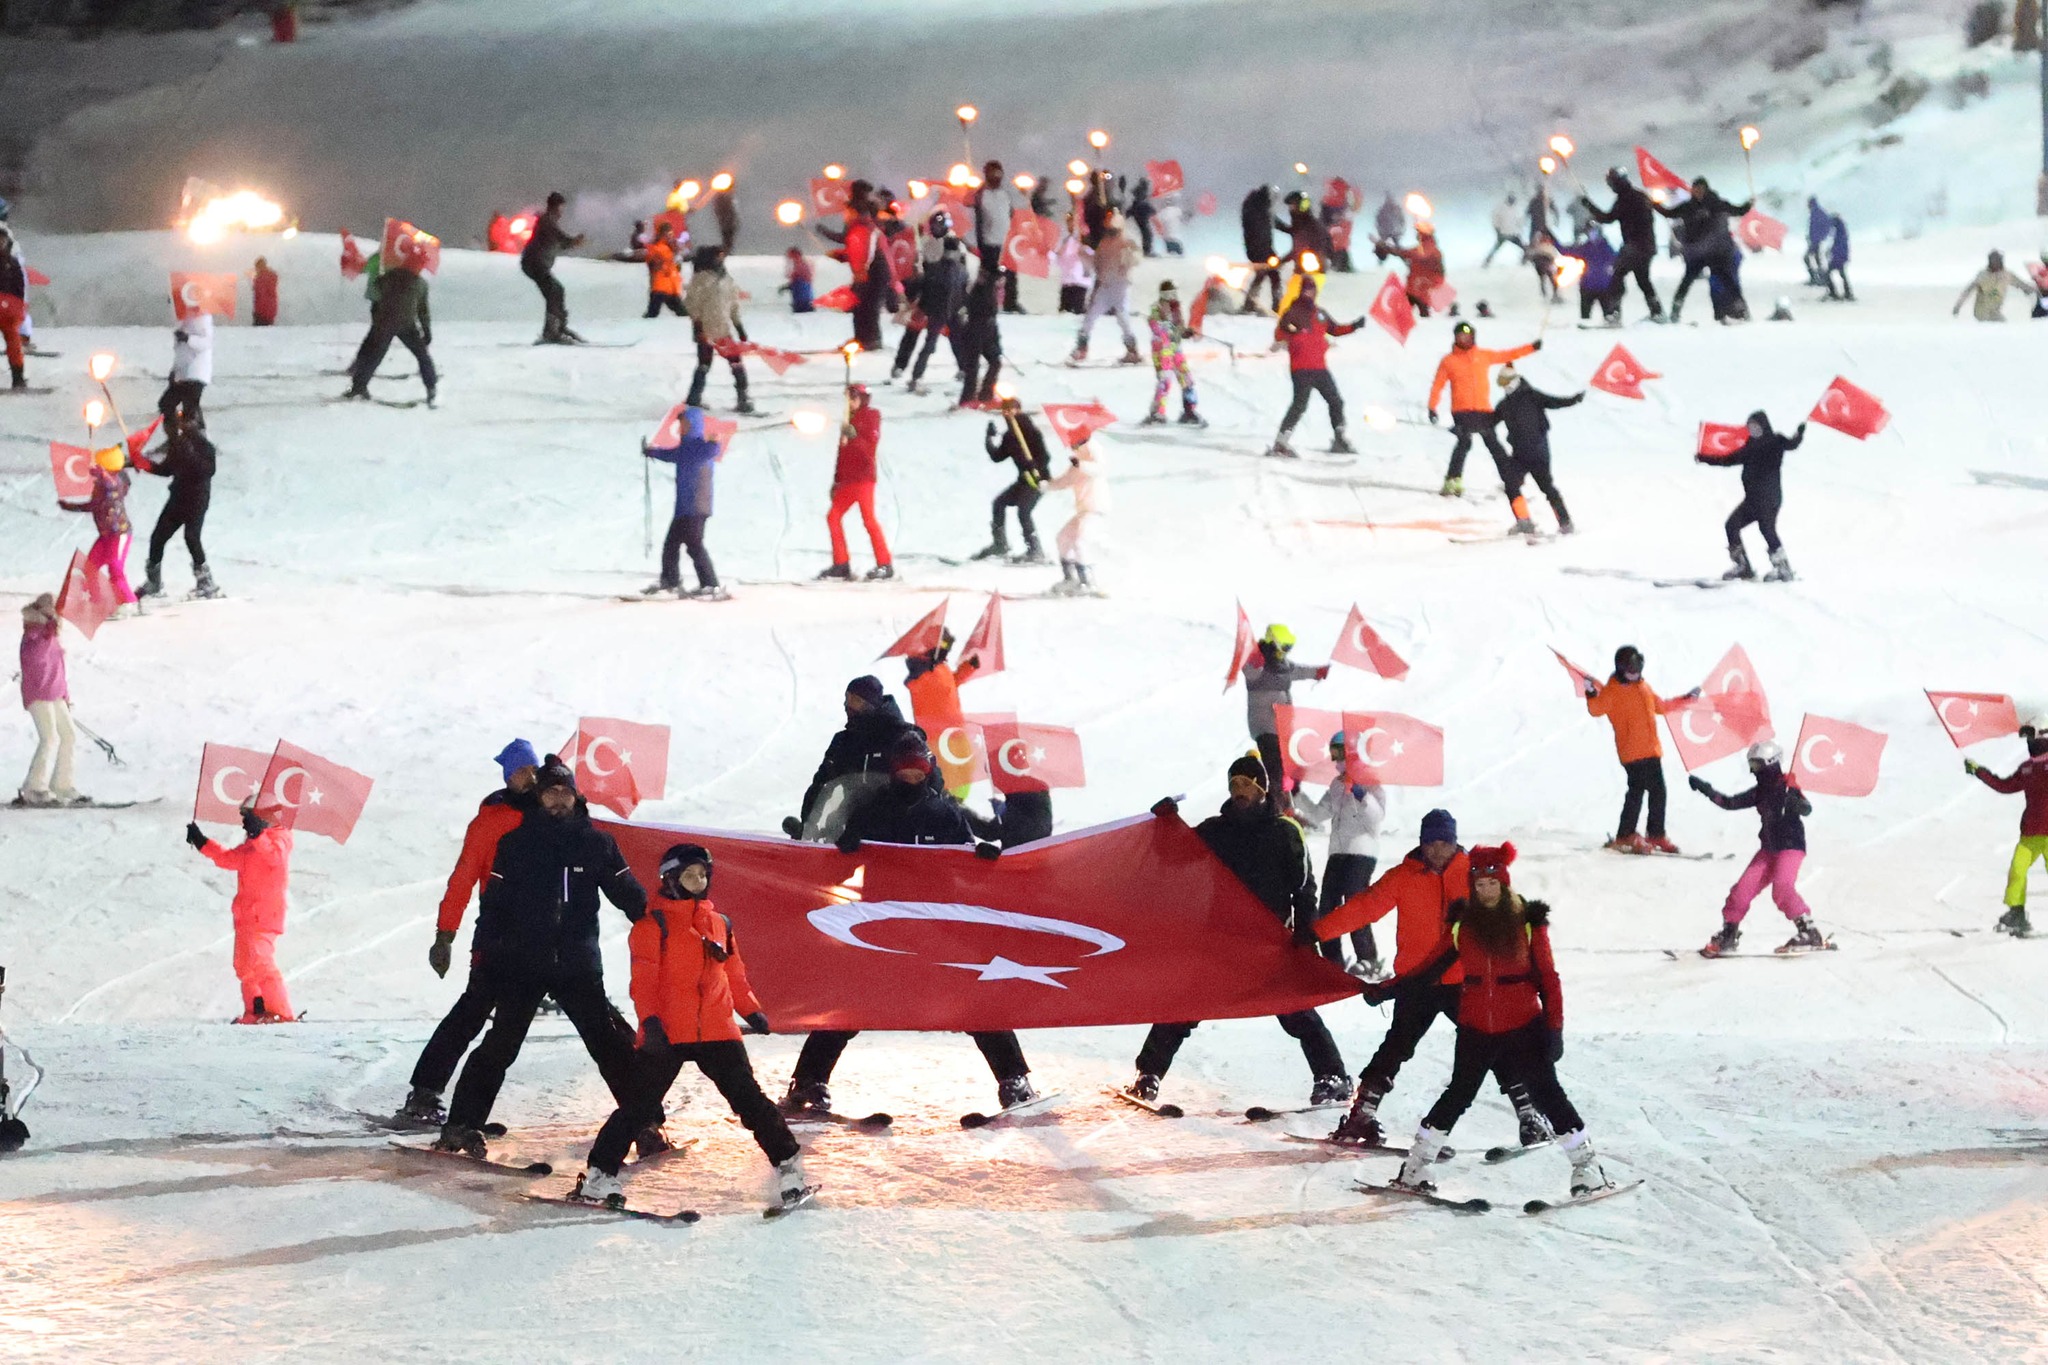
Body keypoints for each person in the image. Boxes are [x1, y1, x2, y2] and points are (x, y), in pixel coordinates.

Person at [785, 733, 1035, 1114]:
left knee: (974, 996)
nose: (911, 780)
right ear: (893, 772)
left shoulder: (945, 812)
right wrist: (846, 849)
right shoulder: (872, 810)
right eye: (904, 773)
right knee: (851, 997)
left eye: (918, 773)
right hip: (880, 926)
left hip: (936, 925)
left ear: (929, 771)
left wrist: (984, 854)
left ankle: (1013, 1079)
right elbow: (839, 872)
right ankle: (808, 1081)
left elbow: (967, 861)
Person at [1365, 844, 1611, 1200]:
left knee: (1547, 1094)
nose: (1485, 891)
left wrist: (1554, 1029)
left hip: (1524, 1024)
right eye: (1479, 885)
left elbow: (1549, 980)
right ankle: (1417, 1165)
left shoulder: (1528, 922)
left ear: (1504, 883)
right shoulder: (1462, 924)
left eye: (1492, 884)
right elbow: (1427, 970)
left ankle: (1586, 1167)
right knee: (1459, 1094)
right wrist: (1387, 990)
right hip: (1476, 1026)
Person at [435, 759, 655, 1157]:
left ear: (576, 798)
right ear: (539, 797)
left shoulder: (596, 843)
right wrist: (488, 954)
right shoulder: (516, 843)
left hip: (578, 965)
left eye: (565, 793)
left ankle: (644, 1124)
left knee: (608, 1045)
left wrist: (661, 925)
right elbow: (495, 907)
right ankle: (461, 1125)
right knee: (500, 1045)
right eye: (551, 792)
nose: (558, 800)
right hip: (523, 964)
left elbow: (630, 895)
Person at [574, 842, 809, 1210]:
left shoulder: (720, 923)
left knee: (750, 1101)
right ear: (670, 879)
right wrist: (649, 1022)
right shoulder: (652, 927)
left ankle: (789, 1164)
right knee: (638, 1106)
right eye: (689, 874)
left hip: (717, 1028)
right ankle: (599, 1176)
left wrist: (750, 1010)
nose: (698, 881)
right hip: (668, 1031)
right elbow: (644, 983)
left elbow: (734, 972)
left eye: (703, 874)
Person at [1310, 809, 1539, 1147]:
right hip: (1416, 981)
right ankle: (1362, 1113)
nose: (1436, 849)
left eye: (1443, 842)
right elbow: (1364, 908)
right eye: (1430, 842)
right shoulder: (1404, 875)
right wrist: (1318, 931)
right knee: (1396, 1047)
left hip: (1465, 981)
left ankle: (1530, 1115)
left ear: (1454, 841)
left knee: (1491, 1045)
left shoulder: (1473, 876)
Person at [1127, 757, 1348, 1105]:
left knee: (1295, 1010)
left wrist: (1307, 936)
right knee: (1183, 1005)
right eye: (1234, 785)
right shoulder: (1216, 830)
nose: (1239, 791)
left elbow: (1304, 888)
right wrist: (1165, 822)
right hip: (1223, 941)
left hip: (1269, 942)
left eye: (1246, 784)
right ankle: (1149, 1073)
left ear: (1262, 788)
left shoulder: (1284, 831)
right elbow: (1172, 855)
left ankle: (1332, 1076)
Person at [394, 740, 541, 1125]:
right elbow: (462, 879)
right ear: (507, 776)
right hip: (499, 934)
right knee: (473, 1012)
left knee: (510, 1025)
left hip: (547, 937)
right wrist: (445, 934)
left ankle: (463, 1112)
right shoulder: (490, 821)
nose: (526, 777)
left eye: (530, 770)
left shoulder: (552, 814)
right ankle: (425, 1094)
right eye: (518, 771)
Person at [1691, 740, 1825, 955]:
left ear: (1770, 763)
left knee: (1782, 889)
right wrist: (1707, 790)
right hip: (1769, 849)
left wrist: (1796, 804)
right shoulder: (1761, 791)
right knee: (1741, 892)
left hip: (1790, 847)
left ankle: (1810, 931)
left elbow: (1807, 808)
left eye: (1757, 765)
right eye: (1751, 765)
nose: (1754, 771)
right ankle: (1729, 934)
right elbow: (1730, 803)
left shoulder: (1788, 787)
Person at [186, 798, 295, 1023]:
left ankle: (282, 1013)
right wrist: (202, 842)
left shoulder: (280, 837)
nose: (244, 823)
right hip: (246, 916)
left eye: (248, 817)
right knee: (245, 965)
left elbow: (274, 856)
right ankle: (256, 1010)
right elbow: (228, 859)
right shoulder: (251, 846)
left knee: (262, 962)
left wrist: (259, 835)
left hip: (265, 915)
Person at [1583, 645, 1698, 854]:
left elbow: (1661, 706)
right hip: (1631, 753)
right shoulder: (1612, 691)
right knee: (1638, 791)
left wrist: (1686, 699)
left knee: (1657, 792)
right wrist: (1590, 692)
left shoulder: (1644, 687)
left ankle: (1654, 834)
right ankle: (1627, 834)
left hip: (1651, 750)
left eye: (1637, 669)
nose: (1634, 674)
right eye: (1630, 670)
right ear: (1620, 669)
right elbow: (1596, 709)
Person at [1295, 732, 1387, 975]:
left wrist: (1360, 793)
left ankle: (1368, 957)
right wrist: (1296, 794)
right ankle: (1332, 958)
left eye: (1337, 752)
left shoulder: (1370, 781)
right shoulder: (1337, 784)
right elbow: (1318, 814)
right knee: (1328, 904)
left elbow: (1376, 818)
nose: (1334, 759)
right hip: (1337, 852)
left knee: (1354, 903)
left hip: (1361, 851)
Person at [785, 675, 920, 840]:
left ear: (870, 704)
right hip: (851, 826)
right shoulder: (844, 742)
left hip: (896, 828)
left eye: (854, 700)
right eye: (847, 699)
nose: (847, 706)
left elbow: (926, 784)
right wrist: (808, 826)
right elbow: (822, 784)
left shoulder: (901, 738)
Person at [1427, 321, 1537, 497]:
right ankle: (1453, 480)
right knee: (1464, 443)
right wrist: (1432, 407)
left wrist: (1531, 348)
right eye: (1461, 336)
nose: (1465, 339)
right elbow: (1438, 385)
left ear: (1473, 337)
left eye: (1468, 335)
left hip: (1483, 410)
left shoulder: (1483, 355)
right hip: (1462, 411)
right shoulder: (1449, 361)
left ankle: (1510, 478)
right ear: (1455, 338)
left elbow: (1507, 355)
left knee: (1494, 445)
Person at [1697, 410, 1805, 582]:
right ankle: (1743, 567)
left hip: (1769, 499)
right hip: (1753, 500)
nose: (1753, 430)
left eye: (1756, 426)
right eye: (1750, 427)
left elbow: (1791, 444)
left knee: (1767, 529)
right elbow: (1729, 460)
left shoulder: (1775, 441)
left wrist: (1800, 433)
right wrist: (1705, 458)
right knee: (1731, 525)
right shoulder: (1750, 446)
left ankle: (1783, 568)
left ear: (1764, 425)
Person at [1965, 717, 2048, 937]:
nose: (2029, 741)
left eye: (2032, 735)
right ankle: (2016, 913)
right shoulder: (2028, 768)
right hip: (2030, 833)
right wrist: (1979, 771)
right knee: (2017, 871)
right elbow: (2006, 786)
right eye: (2027, 737)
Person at [1270, 275, 1363, 457]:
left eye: (1312, 290)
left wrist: (1354, 326)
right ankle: (1281, 442)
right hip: (1302, 367)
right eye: (1306, 289)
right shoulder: (1293, 312)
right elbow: (1279, 334)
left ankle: (1339, 437)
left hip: (1319, 367)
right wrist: (1290, 333)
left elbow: (1335, 329)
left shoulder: (1320, 314)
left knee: (1336, 401)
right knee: (1299, 405)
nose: (1309, 293)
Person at [640, 404, 726, 600]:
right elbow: (671, 455)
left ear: (694, 425)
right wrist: (652, 452)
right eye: (681, 424)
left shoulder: (700, 448)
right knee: (671, 544)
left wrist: (714, 442)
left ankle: (710, 584)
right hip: (685, 507)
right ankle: (670, 581)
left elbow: (709, 451)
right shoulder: (688, 448)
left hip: (696, 506)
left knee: (694, 544)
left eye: (685, 423)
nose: (681, 427)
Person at [133, 411, 220, 599]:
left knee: (191, 537)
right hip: (178, 498)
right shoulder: (178, 445)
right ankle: (154, 582)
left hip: (196, 499)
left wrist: (189, 455)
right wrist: (146, 465)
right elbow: (167, 469)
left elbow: (208, 470)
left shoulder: (203, 446)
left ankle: (206, 582)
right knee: (158, 537)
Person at [1242, 624, 1329, 808]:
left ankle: (1292, 806)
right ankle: (1278, 809)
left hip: (1283, 726)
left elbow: (1296, 671)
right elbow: (1249, 670)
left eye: (1289, 648)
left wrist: (1317, 672)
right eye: (1284, 647)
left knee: (1293, 767)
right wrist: (1255, 660)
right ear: (1273, 644)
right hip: (1265, 726)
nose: (1285, 652)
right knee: (1276, 770)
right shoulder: (1258, 663)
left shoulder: (1282, 665)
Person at [1492, 366, 1580, 535]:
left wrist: (1573, 399)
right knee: (1511, 484)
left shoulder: (1532, 396)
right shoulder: (1505, 405)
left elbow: (1555, 402)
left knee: (1546, 487)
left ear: (1514, 381)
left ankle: (1565, 522)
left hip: (1538, 452)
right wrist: (1467, 425)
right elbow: (1490, 422)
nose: (1504, 387)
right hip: (1519, 454)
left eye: (1506, 383)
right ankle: (1524, 521)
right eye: (1501, 383)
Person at [818, 384, 893, 581]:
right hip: (848, 480)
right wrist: (837, 480)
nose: (849, 403)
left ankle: (885, 563)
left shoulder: (871, 416)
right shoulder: (847, 420)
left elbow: (869, 448)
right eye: (847, 400)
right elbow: (841, 453)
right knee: (833, 516)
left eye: (852, 399)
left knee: (868, 520)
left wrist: (854, 436)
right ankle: (841, 563)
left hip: (863, 478)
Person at [1656, 177, 1753, 323]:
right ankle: (1675, 312)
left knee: (1726, 280)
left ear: (1706, 189)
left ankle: (1742, 309)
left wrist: (1748, 205)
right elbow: (1669, 213)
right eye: (1695, 189)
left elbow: (1737, 210)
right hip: (1697, 253)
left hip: (1714, 252)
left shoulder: (1716, 203)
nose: (1698, 192)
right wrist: (1655, 204)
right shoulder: (1688, 206)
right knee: (1687, 281)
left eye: (1700, 189)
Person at [343, 259, 436, 405]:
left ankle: (358, 386)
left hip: (384, 322)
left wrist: (383, 275)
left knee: (374, 356)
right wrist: (426, 330)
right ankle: (431, 387)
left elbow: (377, 287)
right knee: (422, 356)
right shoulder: (421, 284)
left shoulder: (390, 277)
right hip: (407, 325)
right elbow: (423, 310)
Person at [59, 445, 138, 615]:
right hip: (106, 535)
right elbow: (94, 505)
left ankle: (129, 601)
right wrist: (71, 507)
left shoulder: (117, 483)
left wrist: (102, 474)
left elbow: (112, 486)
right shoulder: (102, 485)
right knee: (90, 567)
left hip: (119, 534)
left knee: (115, 568)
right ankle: (99, 600)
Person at [16, 594, 79, 807]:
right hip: (39, 695)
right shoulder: (32, 636)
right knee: (50, 738)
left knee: (68, 735)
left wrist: (65, 695)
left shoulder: (50, 636)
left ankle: (62, 784)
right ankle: (34, 787)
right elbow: (35, 661)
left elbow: (59, 669)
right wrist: (48, 637)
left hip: (56, 693)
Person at [893, 211, 967, 393]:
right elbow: (921, 271)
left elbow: (963, 282)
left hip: (943, 302)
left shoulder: (957, 248)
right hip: (930, 298)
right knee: (914, 334)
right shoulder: (927, 244)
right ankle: (901, 365)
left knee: (953, 337)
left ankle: (964, 367)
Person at [902, 628, 981, 795]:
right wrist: (921, 667)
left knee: (966, 769)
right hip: (938, 735)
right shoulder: (920, 672)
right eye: (944, 643)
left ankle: (955, 804)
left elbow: (950, 684)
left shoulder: (939, 666)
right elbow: (914, 683)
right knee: (949, 774)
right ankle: (947, 803)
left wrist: (968, 668)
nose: (947, 648)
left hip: (956, 729)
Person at [973, 396, 1049, 562]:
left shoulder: (1030, 432)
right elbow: (997, 456)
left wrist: (1033, 464)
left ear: (1019, 411)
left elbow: (1045, 458)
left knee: (1024, 511)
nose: (1008, 415)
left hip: (1038, 480)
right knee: (999, 504)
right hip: (1024, 480)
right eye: (1005, 412)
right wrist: (989, 439)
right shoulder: (1010, 436)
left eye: (1012, 411)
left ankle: (1035, 549)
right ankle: (1000, 544)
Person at [1582, 168, 1663, 321]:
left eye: (1611, 183)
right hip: (1647, 246)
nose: (1611, 187)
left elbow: (1608, 218)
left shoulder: (1626, 199)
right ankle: (1657, 311)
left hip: (1635, 246)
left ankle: (1614, 312)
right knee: (1643, 280)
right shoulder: (1638, 196)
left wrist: (1589, 206)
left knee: (1617, 276)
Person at [683, 246, 754, 414]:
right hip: (706, 330)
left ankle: (742, 397)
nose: (721, 260)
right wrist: (698, 328)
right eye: (718, 256)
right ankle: (694, 399)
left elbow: (733, 305)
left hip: (723, 330)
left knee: (735, 362)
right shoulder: (700, 279)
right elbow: (692, 307)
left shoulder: (726, 279)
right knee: (704, 364)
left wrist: (739, 327)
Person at [1071, 211, 1142, 365]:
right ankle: (1081, 348)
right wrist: (1085, 256)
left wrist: (1128, 258)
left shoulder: (1127, 242)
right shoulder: (1105, 243)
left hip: (1120, 285)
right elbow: (1097, 264)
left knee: (1123, 318)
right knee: (1090, 317)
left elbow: (1136, 258)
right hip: (1105, 285)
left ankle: (1132, 350)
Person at [1045, 436, 1107, 596]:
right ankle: (1070, 578)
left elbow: (1099, 469)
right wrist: (1045, 485)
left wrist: (1081, 464)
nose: (1071, 447)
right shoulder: (1077, 463)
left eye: (1073, 444)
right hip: (1083, 510)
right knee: (1062, 538)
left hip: (1096, 509)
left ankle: (1088, 581)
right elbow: (1064, 481)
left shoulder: (1093, 451)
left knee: (1080, 541)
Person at [523, 191, 585, 344]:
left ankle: (558, 327)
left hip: (536, 264)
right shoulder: (547, 221)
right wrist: (572, 241)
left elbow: (557, 243)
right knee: (554, 291)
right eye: (561, 207)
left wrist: (572, 243)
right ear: (556, 207)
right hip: (535, 264)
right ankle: (552, 331)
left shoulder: (548, 221)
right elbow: (559, 237)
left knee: (556, 291)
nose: (563, 211)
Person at [1142, 280, 1201, 427]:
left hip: (1175, 349)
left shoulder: (1176, 309)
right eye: (1170, 293)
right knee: (1165, 381)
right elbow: (1156, 327)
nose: (1173, 296)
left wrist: (1185, 332)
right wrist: (1171, 330)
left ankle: (1190, 410)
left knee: (1186, 378)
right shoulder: (1156, 309)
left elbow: (1179, 328)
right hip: (1162, 350)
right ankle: (1157, 412)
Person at [1375, 221, 1445, 316]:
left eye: (1418, 232)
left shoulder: (1429, 247)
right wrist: (1390, 249)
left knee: (1420, 313)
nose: (1416, 234)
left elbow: (1414, 254)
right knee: (1405, 312)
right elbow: (1409, 254)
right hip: (1415, 287)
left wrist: (1392, 250)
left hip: (1422, 288)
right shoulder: (1426, 246)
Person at [956, 266, 1003, 408]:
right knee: (973, 367)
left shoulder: (989, 290)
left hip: (986, 333)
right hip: (975, 334)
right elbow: (981, 313)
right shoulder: (981, 291)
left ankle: (985, 394)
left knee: (995, 361)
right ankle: (967, 398)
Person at [160, 309, 212, 428]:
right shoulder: (182, 316)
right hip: (183, 372)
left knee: (189, 409)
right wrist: (175, 370)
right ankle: (179, 438)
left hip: (196, 372)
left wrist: (187, 338)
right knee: (166, 404)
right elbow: (181, 352)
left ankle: (194, 440)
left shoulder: (202, 316)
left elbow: (206, 342)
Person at [1239, 184, 1284, 313]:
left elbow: (1272, 221)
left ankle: (1269, 303)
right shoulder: (1256, 208)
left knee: (1271, 274)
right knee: (1264, 274)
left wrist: (1288, 229)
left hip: (1264, 247)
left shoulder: (1260, 207)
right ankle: (1251, 303)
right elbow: (1260, 226)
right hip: (1257, 249)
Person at [1560, 227, 1619, 325]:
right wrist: (1553, 240)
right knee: (1585, 317)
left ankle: (1610, 319)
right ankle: (1589, 322)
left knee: (1608, 314)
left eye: (1594, 232)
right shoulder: (1586, 248)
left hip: (1603, 287)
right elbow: (1566, 251)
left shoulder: (1606, 248)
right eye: (1590, 232)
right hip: (1588, 287)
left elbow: (1617, 259)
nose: (1592, 235)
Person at [1954, 250, 2035, 321]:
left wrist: (2033, 290)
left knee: (2003, 328)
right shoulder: (1983, 275)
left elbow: (2020, 284)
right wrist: (1958, 306)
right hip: (1982, 312)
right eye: (1993, 260)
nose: (1995, 263)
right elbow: (1968, 291)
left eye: (1997, 260)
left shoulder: (2006, 275)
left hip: (1995, 311)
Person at [0, 225, 26, 389]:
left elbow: (19, 287)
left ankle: (18, 378)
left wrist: (17, 306)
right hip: (9, 308)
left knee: (14, 343)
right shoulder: (12, 263)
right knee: (14, 342)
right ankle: (18, 378)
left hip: (8, 311)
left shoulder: (12, 263)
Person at [643, 220, 684, 318]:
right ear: (662, 234)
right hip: (660, 286)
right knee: (652, 314)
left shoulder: (670, 248)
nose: (671, 236)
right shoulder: (657, 248)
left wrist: (677, 258)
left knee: (682, 313)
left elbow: (676, 268)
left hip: (670, 287)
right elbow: (652, 264)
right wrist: (658, 264)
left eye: (671, 233)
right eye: (668, 234)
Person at [1054, 213, 1093, 314]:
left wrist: (1084, 250)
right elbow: (1061, 259)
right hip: (1067, 281)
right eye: (1068, 222)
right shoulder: (1066, 240)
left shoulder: (1085, 238)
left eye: (1071, 222)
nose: (1069, 225)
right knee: (1064, 310)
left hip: (1080, 281)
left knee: (1078, 310)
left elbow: (1092, 256)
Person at [1485, 191, 1525, 266]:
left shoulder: (1514, 209)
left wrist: (1519, 228)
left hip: (1510, 233)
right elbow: (1495, 219)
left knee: (1496, 248)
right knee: (1523, 247)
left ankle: (1487, 260)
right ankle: (1487, 260)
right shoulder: (1502, 208)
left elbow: (1519, 221)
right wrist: (1497, 229)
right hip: (1506, 233)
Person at [1803, 196, 1832, 286]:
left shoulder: (1816, 213)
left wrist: (1818, 237)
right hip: (1816, 240)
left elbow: (1818, 227)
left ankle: (1815, 278)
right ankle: (1821, 278)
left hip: (1815, 241)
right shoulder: (1818, 212)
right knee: (1817, 259)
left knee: (1807, 258)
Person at [1824, 214, 1853, 302]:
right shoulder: (1841, 230)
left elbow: (1838, 245)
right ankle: (1847, 293)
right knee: (1842, 274)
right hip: (1841, 256)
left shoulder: (1839, 232)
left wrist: (1831, 251)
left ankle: (1834, 292)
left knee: (1828, 274)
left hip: (1838, 257)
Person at [780, 245, 815, 313]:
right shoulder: (799, 264)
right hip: (802, 300)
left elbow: (798, 278)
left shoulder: (801, 265)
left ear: (796, 255)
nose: (789, 259)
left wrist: (789, 286)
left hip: (802, 301)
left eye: (790, 256)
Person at [249, 257, 278, 327]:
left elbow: (261, 296)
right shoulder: (271, 276)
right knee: (268, 335)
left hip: (262, 312)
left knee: (258, 335)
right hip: (271, 311)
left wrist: (257, 313)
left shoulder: (260, 279)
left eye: (256, 267)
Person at [712, 186, 739, 252]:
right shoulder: (724, 198)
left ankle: (727, 249)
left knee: (729, 235)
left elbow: (734, 210)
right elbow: (719, 209)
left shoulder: (730, 197)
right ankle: (726, 249)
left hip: (730, 219)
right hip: (726, 219)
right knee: (727, 235)